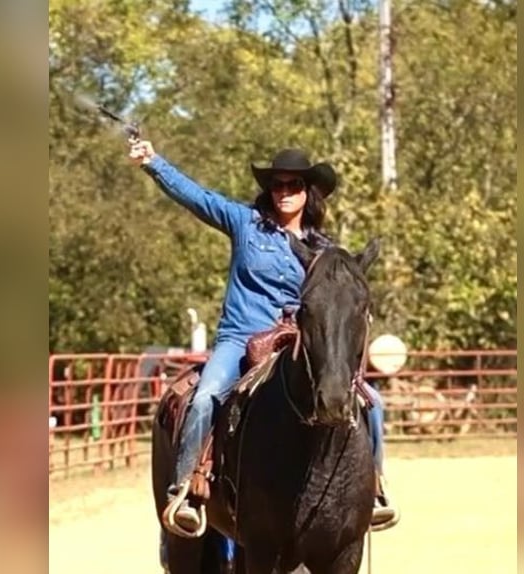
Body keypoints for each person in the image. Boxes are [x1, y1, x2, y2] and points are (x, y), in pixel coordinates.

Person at [128, 139, 398, 537]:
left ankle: (372, 492)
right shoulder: (245, 223)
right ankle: (188, 488)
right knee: (204, 398)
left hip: (296, 342)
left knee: (372, 405)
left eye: (294, 185)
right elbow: (197, 197)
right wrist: (153, 162)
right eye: (278, 185)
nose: (284, 192)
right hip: (241, 339)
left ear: (309, 193)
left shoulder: (322, 250)